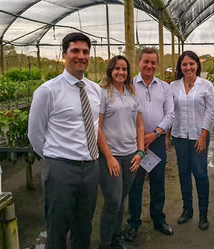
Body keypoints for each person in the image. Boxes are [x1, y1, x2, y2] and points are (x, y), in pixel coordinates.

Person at [28, 32, 100, 249]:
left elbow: (96, 127)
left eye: (85, 52)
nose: (81, 56)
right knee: (57, 228)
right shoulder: (48, 91)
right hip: (61, 169)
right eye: (75, 51)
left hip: (90, 168)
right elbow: (35, 134)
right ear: (64, 55)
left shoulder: (95, 90)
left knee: (84, 227)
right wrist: (55, 159)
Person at [124, 47, 175, 241]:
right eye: (146, 61)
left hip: (156, 142)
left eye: (153, 62)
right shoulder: (128, 85)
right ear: (139, 62)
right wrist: (139, 139)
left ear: (157, 64)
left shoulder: (164, 87)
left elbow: (170, 114)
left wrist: (155, 134)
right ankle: (133, 222)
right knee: (135, 183)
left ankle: (158, 218)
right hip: (134, 143)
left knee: (158, 181)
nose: (149, 65)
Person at [98, 56, 144, 249]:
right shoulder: (103, 93)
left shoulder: (132, 94)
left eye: (124, 69)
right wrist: (108, 157)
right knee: (113, 200)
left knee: (121, 199)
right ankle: (105, 243)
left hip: (130, 156)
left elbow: (140, 125)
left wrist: (140, 151)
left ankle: (116, 238)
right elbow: (97, 127)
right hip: (111, 157)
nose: (121, 72)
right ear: (110, 70)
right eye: (117, 69)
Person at [166, 50, 214, 230]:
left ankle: (203, 213)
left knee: (201, 175)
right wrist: (168, 134)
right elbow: (170, 112)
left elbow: (210, 113)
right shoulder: (173, 86)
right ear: (180, 67)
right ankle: (187, 210)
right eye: (184, 64)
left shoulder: (206, 86)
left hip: (198, 137)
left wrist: (203, 136)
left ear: (197, 65)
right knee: (184, 173)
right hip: (179, 136)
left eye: (191, 64)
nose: (188, 67)